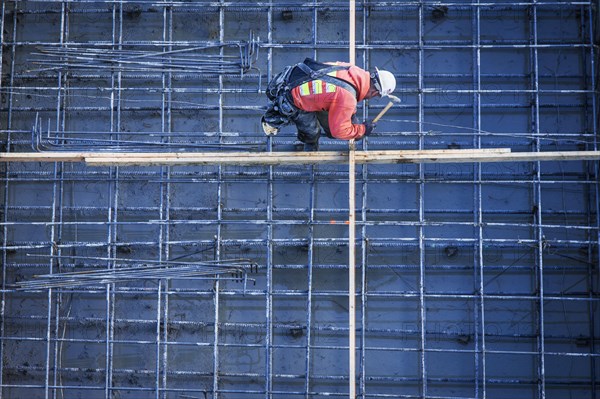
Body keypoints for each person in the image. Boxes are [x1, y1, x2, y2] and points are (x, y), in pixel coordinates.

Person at [261, 58, 396, 150]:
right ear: (375, 93)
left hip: (297, 78)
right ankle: (309, 144)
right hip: (293, 99)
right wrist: (362, 130)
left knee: (335, 118)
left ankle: (325, 128)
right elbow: (339, 131)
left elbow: (338, 93)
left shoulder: (353, 70)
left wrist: (352, 118)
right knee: (313, 132)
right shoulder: (347, 99)